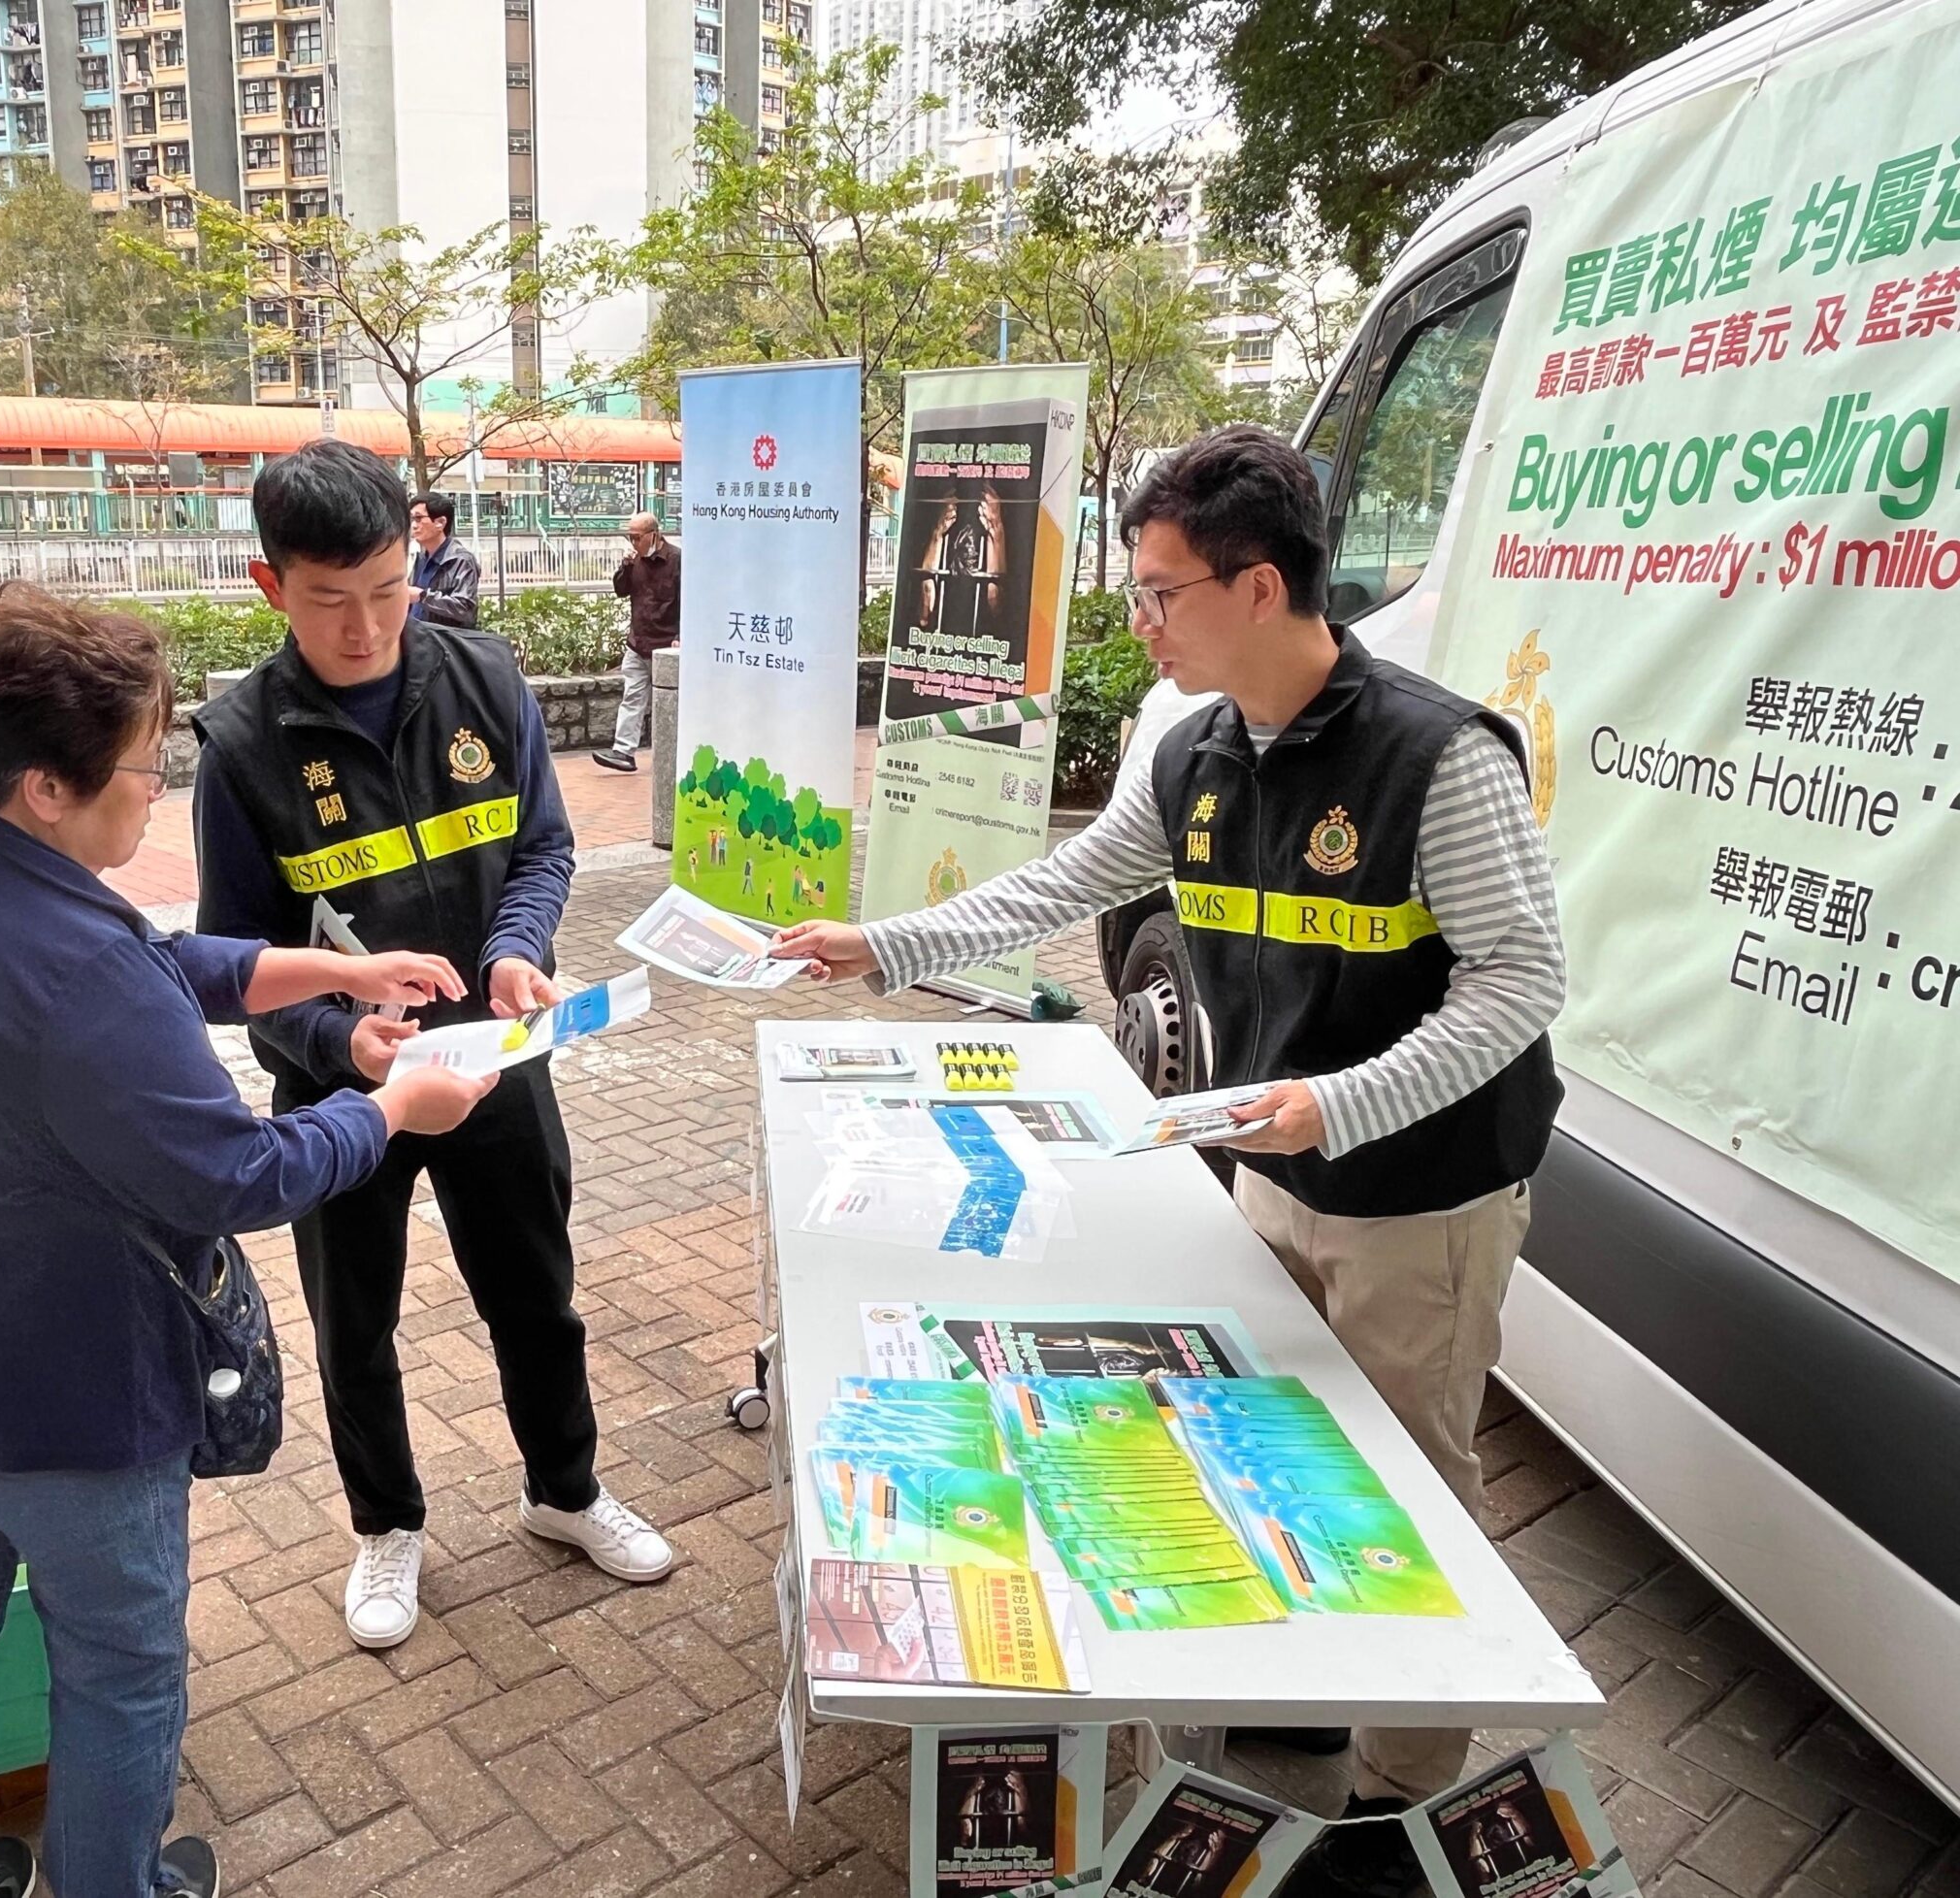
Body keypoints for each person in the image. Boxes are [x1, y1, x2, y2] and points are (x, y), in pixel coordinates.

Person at [776, 426, 1565, 1858]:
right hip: (1268, 1165)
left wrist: (1342, 1102)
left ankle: (1399, 1789)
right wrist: (879, 942)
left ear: (1259, 587)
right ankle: (1297, 1715)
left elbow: (1522, 981)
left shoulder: (1438, 757)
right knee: (1285, 1448)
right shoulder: (1196, 747)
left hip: (1418, 1193)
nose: (1140, 621)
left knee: (1411, 1483)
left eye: (1159, 591)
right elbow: (1069, 879)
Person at [0, 585, 494, 1898]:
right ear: (47, 789)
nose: (156, 788)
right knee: (117, 1668)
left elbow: (160, 963)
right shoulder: (75, 965)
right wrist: (396, 1105)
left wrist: (333, 971)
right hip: (53, 1391)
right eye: (140, 766)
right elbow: (237, 1173)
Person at [193, 441, 673, 1653]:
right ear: (270, 587)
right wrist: (348, 1047)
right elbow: (236, 957)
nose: (364, 628)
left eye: (388, 589)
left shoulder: (483, 678)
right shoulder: (244, 743)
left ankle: (565, 1494)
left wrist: (517, 947)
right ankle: (384, 1526)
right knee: (355, 1324)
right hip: (343, 1096)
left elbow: (545, 849)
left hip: (496, 1060)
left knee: (537, 1297)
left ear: (416, 558)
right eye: (329, 600)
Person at [594, 510, 680, 772]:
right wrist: (625, 567)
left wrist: (680, 637)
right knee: (632, 697)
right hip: (637, 642)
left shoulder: (677, 561)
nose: (633, 543)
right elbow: (621, 591)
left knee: (669, 704)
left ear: (654, 534)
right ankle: (623, 752)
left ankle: (674, 756)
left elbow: (691, 601)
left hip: (666, 645)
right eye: (629, 537)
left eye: (637, 537)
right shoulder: (635, 561)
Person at [407, 490, 481, 627]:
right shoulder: (422, 559)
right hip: (418, 639)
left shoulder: (461, 560)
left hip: (445, 643)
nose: (414, 526)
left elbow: (464, 609)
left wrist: (422, 596)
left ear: (440, 523)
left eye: (419, 518)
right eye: (412, 519)